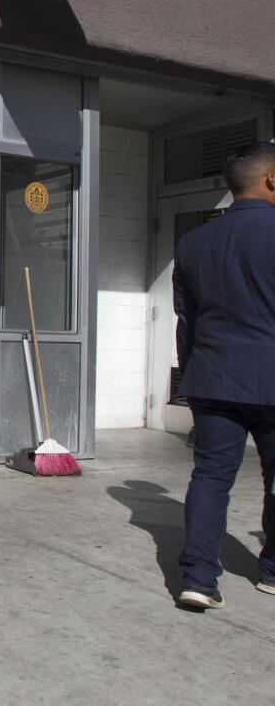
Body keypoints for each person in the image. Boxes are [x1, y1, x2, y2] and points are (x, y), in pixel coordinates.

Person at [173, 141, 275, 609]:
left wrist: (191, 378)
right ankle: (272, 571)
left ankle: (198, 579)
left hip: (212, 378)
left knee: (211, 477)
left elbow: (187, 321)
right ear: (271, 179)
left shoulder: (194, 241)